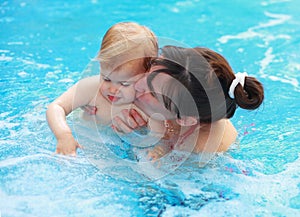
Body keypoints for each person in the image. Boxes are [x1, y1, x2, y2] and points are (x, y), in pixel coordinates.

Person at [113, 45, 264, 160]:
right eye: (148, 72)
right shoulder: (182, 99)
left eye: (152, 93)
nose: (137, 84)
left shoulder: (199, 151)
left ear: (185, 119)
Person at [46, 22, 160, 155]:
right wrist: (64, 135)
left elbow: (161, 136)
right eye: (106, 78)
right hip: (86, 144)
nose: (112, 89)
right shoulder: (91, 89)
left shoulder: (150, 103)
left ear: (146, 77)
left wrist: (158, 150)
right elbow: (56, 107)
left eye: (124, 83)